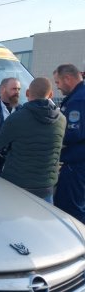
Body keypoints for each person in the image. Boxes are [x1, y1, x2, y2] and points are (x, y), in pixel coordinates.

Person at [0, 77, 65, 202]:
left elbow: (0, 143)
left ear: (27, 93)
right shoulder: (62, 120)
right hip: (46, 187)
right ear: (51, 94)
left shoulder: (16, 118)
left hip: (17, 185)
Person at [53, 64, 85, 221]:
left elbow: (73, 133)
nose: (57, 87)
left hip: (76, 165)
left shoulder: (77, 100)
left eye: (58, 82)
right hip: (79, 163)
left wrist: (52, 138)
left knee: (70, 210)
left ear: (67, 78)